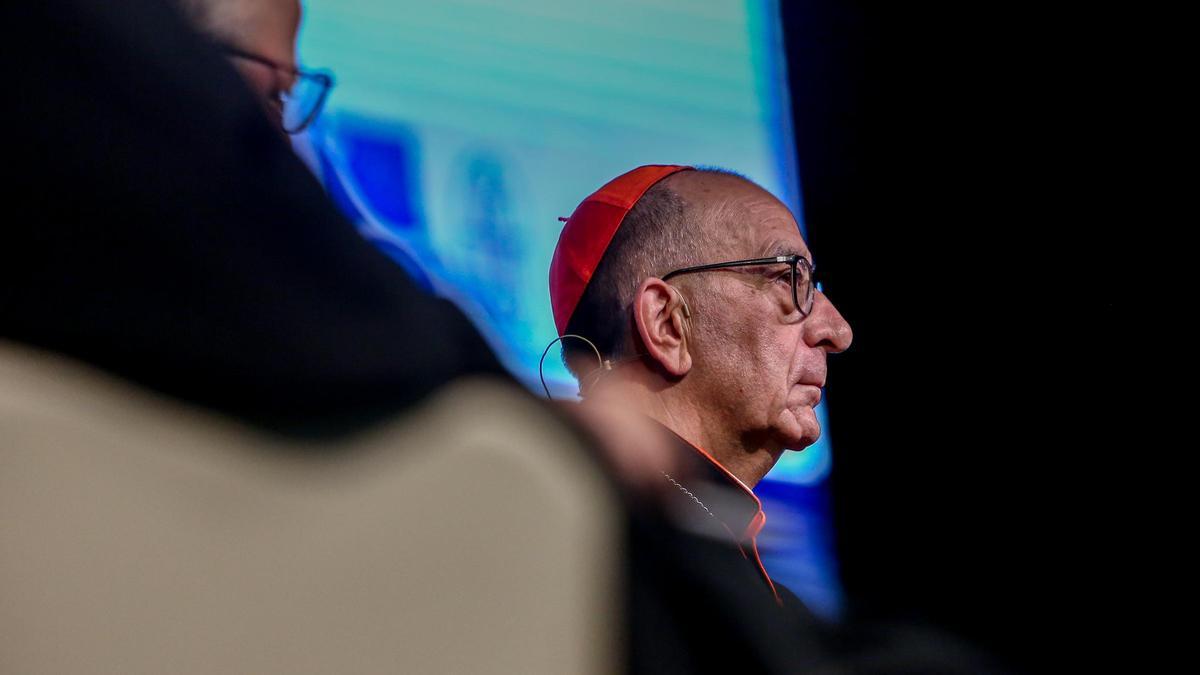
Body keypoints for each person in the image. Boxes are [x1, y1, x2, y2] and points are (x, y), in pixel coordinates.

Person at [550, 164, 852, 603]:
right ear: (667, 324)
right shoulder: (587, 549)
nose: (838, 331)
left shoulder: (714, 551)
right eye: (790, 278)